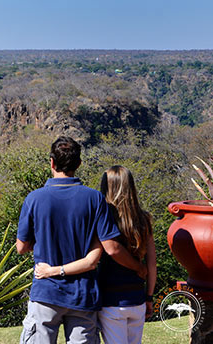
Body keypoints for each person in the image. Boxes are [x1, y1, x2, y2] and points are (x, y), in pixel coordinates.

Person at [17, 136, 146, 344]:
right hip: (83, 295)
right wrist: (138, 267)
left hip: (45, 292)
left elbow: (21, 247)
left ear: (51, 162)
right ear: (79, 164)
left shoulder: (34, 198)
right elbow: (109, 248)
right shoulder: (95, 199)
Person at [35, 166, 157, 344]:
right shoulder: (144, 219)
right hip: (137, 298)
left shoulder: (103, 217)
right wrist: (149, 296)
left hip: (111, 300)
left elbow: (108, 251)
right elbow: (152, 263)